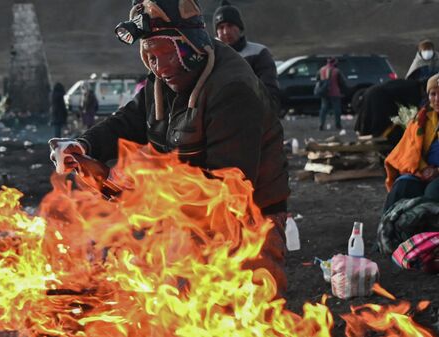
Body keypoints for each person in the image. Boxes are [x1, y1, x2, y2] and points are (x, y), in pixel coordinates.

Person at [48, 0, 289, 293]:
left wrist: (128, 191)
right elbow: (131, 119)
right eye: (151, 56)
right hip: (190, 212)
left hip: (250, 220)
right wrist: (84, 145)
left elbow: (227, 189)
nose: (160, 68)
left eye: (167, 54)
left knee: (239, 311)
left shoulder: (231, 89)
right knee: (179, 302)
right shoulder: (166, 76)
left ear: (193, 46)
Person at [212, 0, 281, 115]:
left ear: (239, 27)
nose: (225, 31)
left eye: (230, 25)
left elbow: (270, 93)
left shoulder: (258, 53)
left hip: (253, 118)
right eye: (221, 27)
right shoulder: (210, 57)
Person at [383, 73, 439, 211]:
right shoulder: (421, 120)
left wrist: (437, 171)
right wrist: (424, 169)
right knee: (402, 187)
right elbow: (408, 150)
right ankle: (388, 228)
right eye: (433, 94)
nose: (437, 99)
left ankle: (430, 232)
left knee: (432, 193)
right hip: (420, 170)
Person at [316, 57, 347, 131]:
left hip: (324, 93)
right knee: (336, 110)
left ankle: (321, 124)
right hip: (335, 92)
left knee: (323, 109)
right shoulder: (337, 71)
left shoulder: (321, 70)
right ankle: (338, 125)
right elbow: (342, 82)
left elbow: (317, 79)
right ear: (334, 62)